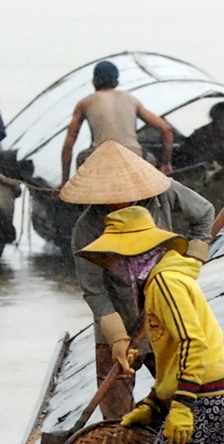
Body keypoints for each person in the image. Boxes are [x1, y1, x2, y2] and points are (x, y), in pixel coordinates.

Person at [79, 206, 224, 444]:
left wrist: (182, 407)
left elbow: (191, 343)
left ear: (132, 255)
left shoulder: (165, 283)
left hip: (201, 399)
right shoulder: (162, 279)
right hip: (221, 394)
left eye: (113, 257)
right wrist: (154, 402)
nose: (112, 265)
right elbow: (171, 358)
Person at [63, 142, 215, 420]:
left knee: (184, 396)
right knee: (117, 415)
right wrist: (118, 340)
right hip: (118, 317)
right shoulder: (87, 227)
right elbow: (94, 290)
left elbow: (204, 214)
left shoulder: (164, 193)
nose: (116, 201)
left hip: (166, 313)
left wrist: (193, 260)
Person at [59, 60, 174, 184]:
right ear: (117, 82)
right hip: (135, 157)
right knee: (150, 159)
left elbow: (68, 147)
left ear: (93, 82)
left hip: (102, 161)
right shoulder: (132, 100)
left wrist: (65, 181)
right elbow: (166, 129)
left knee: (82, 157)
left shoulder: (84, 104)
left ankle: (84, 197)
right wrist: (166, 163)